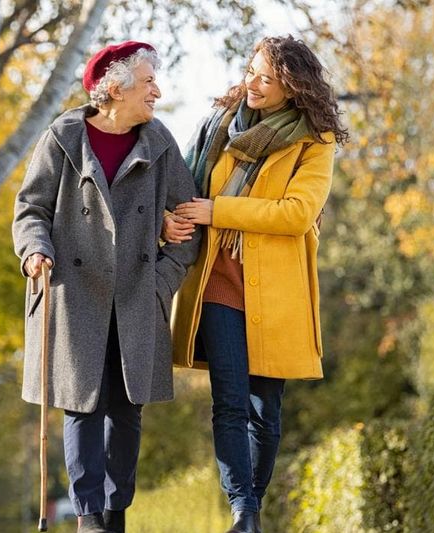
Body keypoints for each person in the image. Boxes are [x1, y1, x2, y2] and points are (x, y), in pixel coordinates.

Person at [162, 35, 349, 533]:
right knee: (229, 401)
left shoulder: (314, 142)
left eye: (267, 78)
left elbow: (296, 213)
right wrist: (170, 219)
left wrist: (219, 211)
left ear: (293, 87)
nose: (253, 84)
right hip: (217, 281)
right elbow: (183, 187)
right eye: (251, 71)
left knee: (265, 410)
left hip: (277, 291)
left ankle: (252, 510)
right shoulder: (220, 125)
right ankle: (242, 508)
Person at [12, 41, 201, 533]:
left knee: (127, 409)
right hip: (75, 294)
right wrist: (34, 251)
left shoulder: (159, 142)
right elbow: (31, 210)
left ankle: (117, 512)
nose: (157, 92)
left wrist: (161, 282)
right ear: (115, 89)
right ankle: (89, 517)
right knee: (83, 406)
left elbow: (189, 222)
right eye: (149, 82)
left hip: (137, 295)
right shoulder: (63, 137)